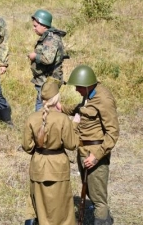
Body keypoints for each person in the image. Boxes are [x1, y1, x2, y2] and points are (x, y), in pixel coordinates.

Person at [58, 65, 119, 225]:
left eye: (78, 87)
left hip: (95, 154)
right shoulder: (89, 96)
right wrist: (61, 108)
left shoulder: (104, 99)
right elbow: (82, 110)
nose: (77, 90)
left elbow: (112, 133)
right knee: (92, 193)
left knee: (98, 198)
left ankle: (102, 221)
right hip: (83, 151)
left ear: (87, 85)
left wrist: (96, 156)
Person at [22, 81, 79, 225]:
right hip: (58, 166)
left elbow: (27, 147)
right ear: (57, 99)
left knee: (38, 205)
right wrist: (75, 124)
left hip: (38, 166)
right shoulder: (62, 119)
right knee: (62, 208)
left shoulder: (32, 118)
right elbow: (72, 144)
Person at [28, 9, 67, 112]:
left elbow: (48, 59)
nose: (33, 28)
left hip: (48, 81)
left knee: (43, 107)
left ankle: (40, 125)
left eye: (35, 26)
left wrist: (34, 56)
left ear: (44, 25)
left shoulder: (51, 38)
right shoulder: (48, 37)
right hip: (45, 80)